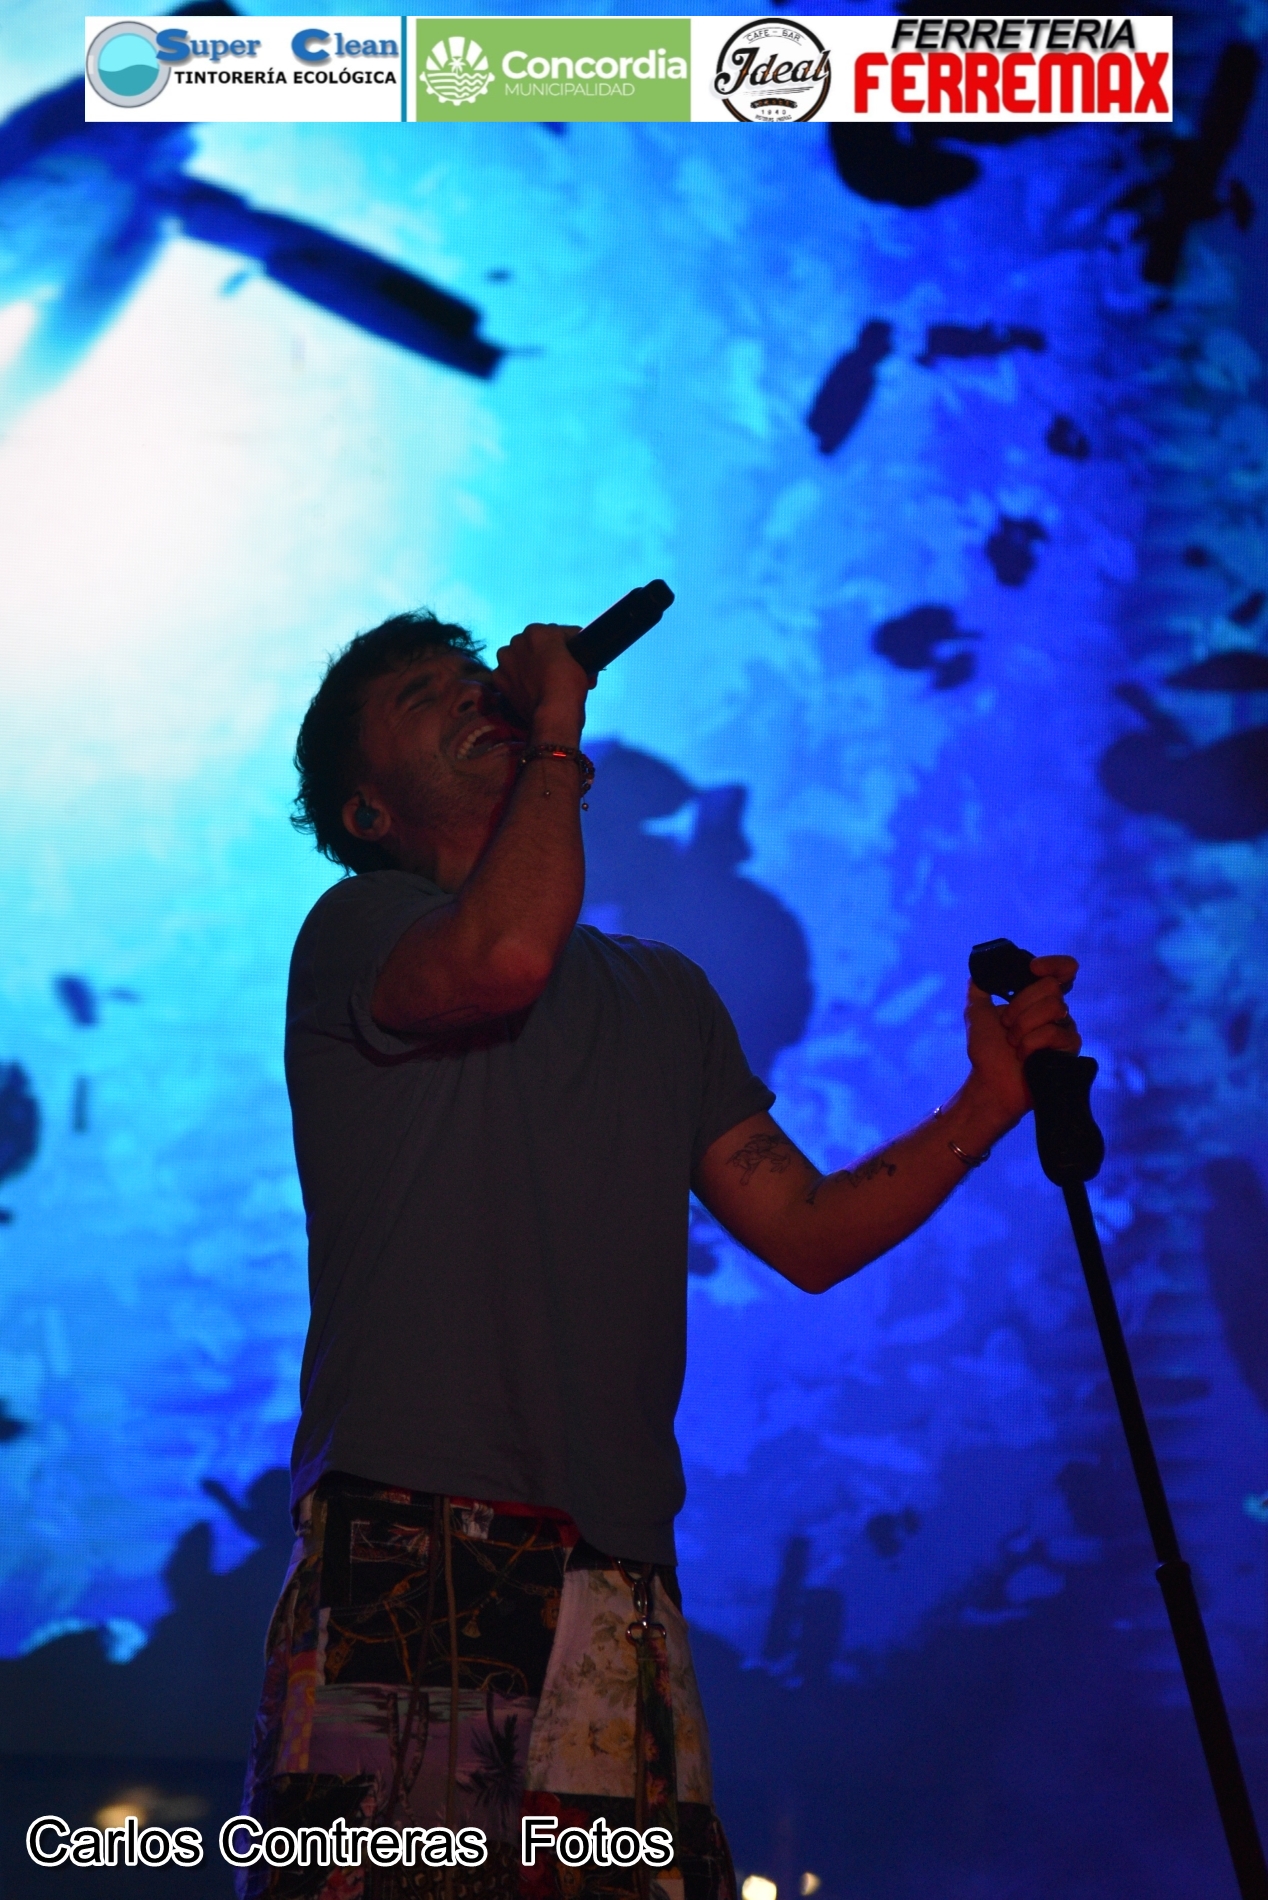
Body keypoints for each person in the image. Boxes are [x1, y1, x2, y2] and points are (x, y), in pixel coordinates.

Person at [240, 608, 1080, 1900]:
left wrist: (986, 1104)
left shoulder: (664, 997)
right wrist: (554, 733)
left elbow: (805, 1232)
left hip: (617, 1574)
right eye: (422, 695)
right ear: (366, 812)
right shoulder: (358, 931)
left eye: (472, 677)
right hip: (407, 1543)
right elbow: (504, 954)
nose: (470, 692)